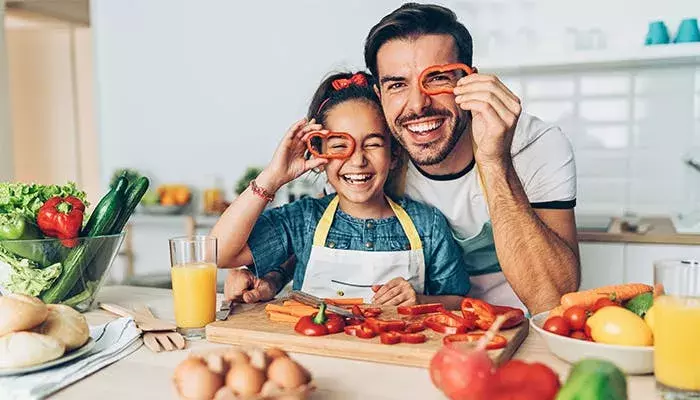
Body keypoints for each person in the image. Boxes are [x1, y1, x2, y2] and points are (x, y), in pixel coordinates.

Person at [361, 2, 581, 314]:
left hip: (522, 329)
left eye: (437, 78)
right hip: (425, 331)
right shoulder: (377, 155)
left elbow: (552, 299)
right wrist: (274, 275)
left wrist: (494, 159)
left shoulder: (537, 145)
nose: (417, 105)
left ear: (470, 81)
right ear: (379, 95)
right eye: (397, 84)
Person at [211, 71, 471, 309]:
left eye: (373, 144)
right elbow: (218, 253)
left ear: (394, 154)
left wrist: (421, 300)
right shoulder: (303, 220)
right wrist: (273, 177)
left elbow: (459, 302)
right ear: (319, 153)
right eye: (339, 145)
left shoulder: (429, 225)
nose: (357, 160)